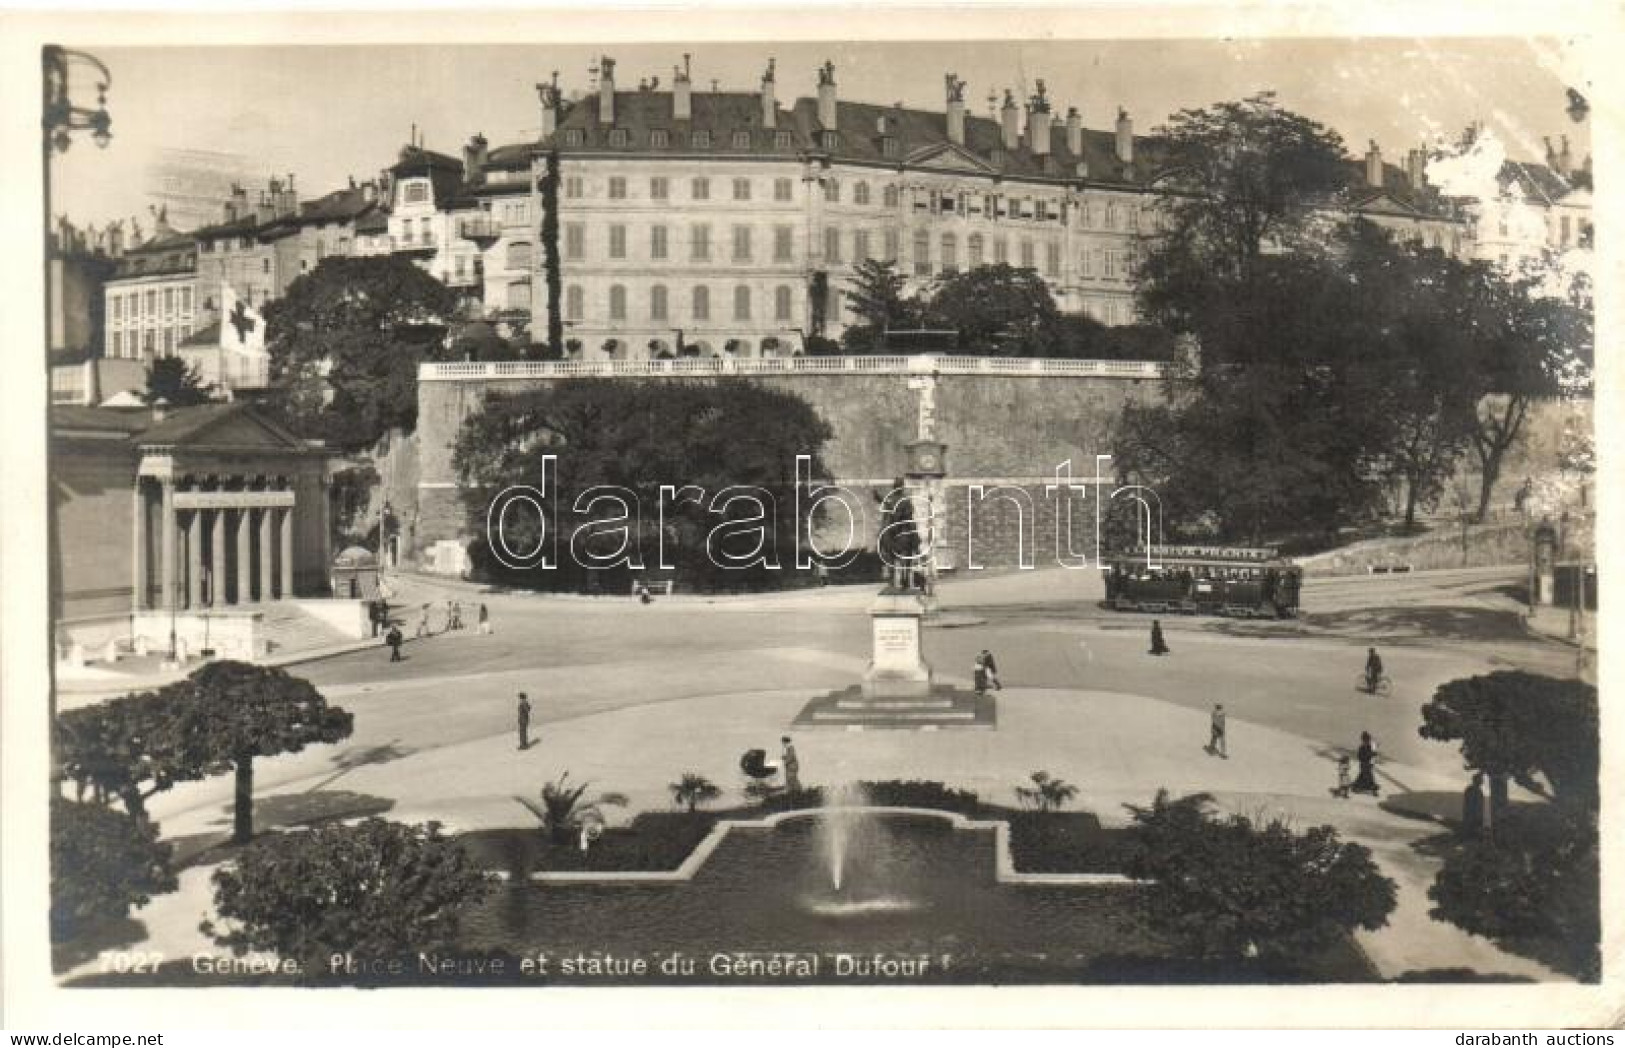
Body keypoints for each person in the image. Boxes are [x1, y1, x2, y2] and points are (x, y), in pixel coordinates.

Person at [1461, 772, 1486, 838]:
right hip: (1472, 818)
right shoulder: (1472, 790)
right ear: (1477, 780)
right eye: (1480, 779)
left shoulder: (1476, 790)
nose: (1482, 781)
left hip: (1474, 818)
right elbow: (1470, 805)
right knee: (1471, 836)